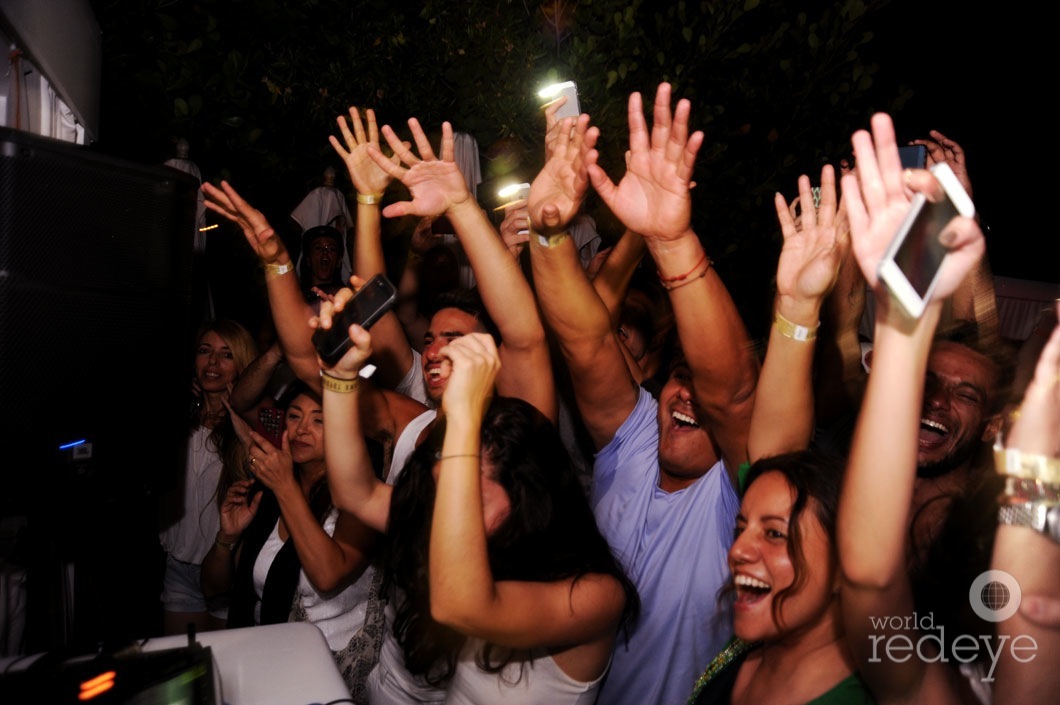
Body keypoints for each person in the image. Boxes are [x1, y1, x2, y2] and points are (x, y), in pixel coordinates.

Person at [525, 82, 759, 705]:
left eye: (699, 382)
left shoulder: (740, 497)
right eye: (679, 378)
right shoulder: (631, 441)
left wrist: (672, 242)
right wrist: (548, 235)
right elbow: (585, 343)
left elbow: (730, 394)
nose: (687, 395)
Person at [317, 323, 638, 704]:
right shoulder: (466, 543)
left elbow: (461, 604)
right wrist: (339, 378)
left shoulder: (596, 595)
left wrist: (466, 415)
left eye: (467, 497)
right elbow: (356, 493)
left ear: (529, 503)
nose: (450, 514)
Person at [837, 112, 1008, 704]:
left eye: (964, 397)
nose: (937, 399)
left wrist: (957, 213)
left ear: (992, 424)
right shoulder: (839, 488)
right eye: (927, 382)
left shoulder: (988, 546)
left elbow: (982, 356)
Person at [331, 107, 555, 422]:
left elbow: (524, 333)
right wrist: (368, 198)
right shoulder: (416, 418)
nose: (433, 352)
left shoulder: (516, 422)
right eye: (429, 340)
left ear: (492, 357)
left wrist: (460, 205)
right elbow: (374, 313)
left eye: (453, 340)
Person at [199, 383, 380, 698]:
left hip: (325, 668)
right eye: (294, 416)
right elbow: (214, 588)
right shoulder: (268, 493)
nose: (301, 429)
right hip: (265, 654)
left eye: (319, 420)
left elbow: (327, 576)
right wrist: (226, 538)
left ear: (347, 428)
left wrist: (284, 486)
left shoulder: (360, 498)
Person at [687, 451, 874, 705]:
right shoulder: (748, 644)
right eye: (741, 530)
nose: (737, 551)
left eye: (774, 534)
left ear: (845, 566)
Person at [157, 318, 258, 636]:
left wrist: (243, 425)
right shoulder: (176, 417)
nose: (213, 362)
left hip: (227, 570)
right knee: (179, 667)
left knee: (223, 670)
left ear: (243, 364)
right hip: (178, 568)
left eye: (227, 354)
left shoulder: (250, 428)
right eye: (205, 351)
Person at [298, 224, 348, 307]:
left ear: (339, 261)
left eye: (331, 249)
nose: (325, 252)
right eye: (318, 248)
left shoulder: (347, 298)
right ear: (308, 260)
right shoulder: (296, 298)